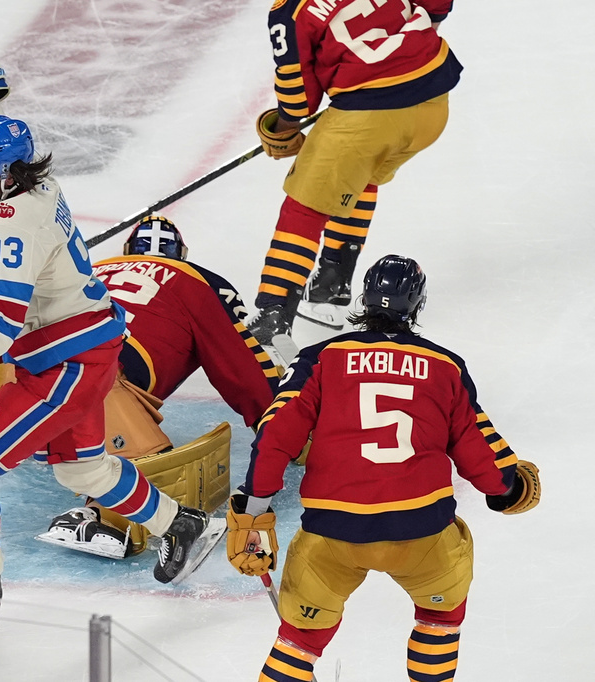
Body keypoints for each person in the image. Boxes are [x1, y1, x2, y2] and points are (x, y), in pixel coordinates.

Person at [0, 31, 216, 639]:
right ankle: (182, 526)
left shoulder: (8, 222)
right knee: (83, 474)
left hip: (64, 364)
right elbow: (2, 125)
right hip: (89, 346)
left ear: (7, 176)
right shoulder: (38, 183)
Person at [225, 255, 541, 681]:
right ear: (417, 304)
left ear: (365, 298)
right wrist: (508, 486)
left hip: (332, 533)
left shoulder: (320, 357)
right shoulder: (445, 366)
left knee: (299, 640)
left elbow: (276, 434)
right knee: (439, 619)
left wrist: (255, 508)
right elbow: (478, 449)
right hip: (422, 534)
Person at [35, 215, 282, 557]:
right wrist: (281, 420)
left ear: (125, 250)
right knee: (102, 385)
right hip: (103, 377)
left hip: (31, 372)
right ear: (182, 254)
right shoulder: (200, 280)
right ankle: (106, 515)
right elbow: (241, 360)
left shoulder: (93, 268)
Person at [246, 0, 463, 345]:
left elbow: (298, 98)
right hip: (434, 101)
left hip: (368, 118)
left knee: (304, 207)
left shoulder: (289, 10)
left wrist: (283, 128)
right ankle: (331, 286)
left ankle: (274, 315)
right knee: (360, 176)